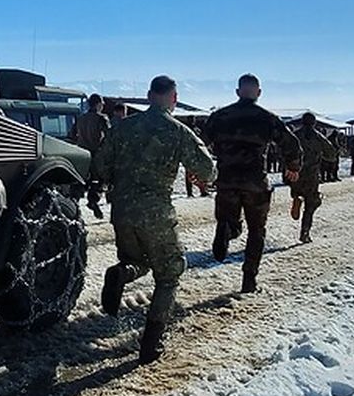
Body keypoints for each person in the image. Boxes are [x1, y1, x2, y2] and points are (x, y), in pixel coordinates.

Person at [93, 75, 216, 363]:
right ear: (174, 99)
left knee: (139, 260)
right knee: (170, 271)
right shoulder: (179, 131)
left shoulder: (121, 128)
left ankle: (121, 273)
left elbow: (100, 166)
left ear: (149, 96)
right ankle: (151, 343)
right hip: (156, 213)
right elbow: (208, 171)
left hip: (122, 211)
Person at [202, 75, 301, 295]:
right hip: (255, 181)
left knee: (229, 218)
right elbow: (290, 143)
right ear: (258, 93)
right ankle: (249, 281)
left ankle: (227, 230)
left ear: (238, 93)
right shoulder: (267, 118)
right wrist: (293, 166)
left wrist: (199, 171)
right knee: (257, 231)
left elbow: (200, 143)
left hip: (226, 179)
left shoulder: (219, 116)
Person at [291, 112, 337, 245]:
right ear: (314, 123)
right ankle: (305, 233)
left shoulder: (295, 136)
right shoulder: (318, 137)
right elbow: (331, 154)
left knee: (298, 191)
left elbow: (284, 151)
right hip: (312, 175)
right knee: (311, 204)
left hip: (296, 174)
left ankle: (296, 197)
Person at [71, 94, 110, 218]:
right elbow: (110, 136)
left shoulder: (81, 118)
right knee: (99, 180)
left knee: (81, 180)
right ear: (98, 104)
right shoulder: (102, 118)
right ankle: (93, 200)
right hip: (97, 153)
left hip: (82, 154)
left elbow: (72, 134)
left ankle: (74, 205)